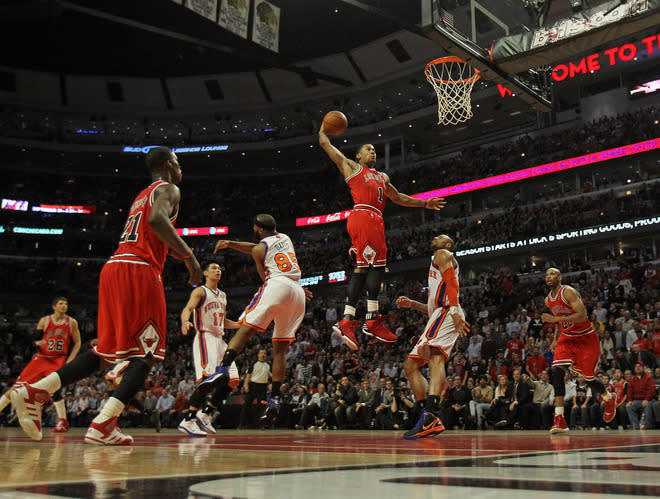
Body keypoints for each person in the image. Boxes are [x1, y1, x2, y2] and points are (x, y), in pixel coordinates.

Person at [11, 146, 202, 444]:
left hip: (114, 267)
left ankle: (37, 391)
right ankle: (103, 423)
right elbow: (155, 220)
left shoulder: (142, 194)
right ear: (167, 165)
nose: (181, 169)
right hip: (138, 270)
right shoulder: (169, 188)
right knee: (147, 354)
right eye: (177, 163)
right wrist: (189, 257)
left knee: (106, 353)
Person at [318, 127, 446, 350]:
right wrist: (322, 131)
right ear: (359, 155)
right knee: (374, 269)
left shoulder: (381, 176)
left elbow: (398, 197)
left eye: (375, 150)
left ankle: (352, 320)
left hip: (374, 221)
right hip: (364, 215)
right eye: (368, 150)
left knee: (365, 269)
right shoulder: (353, 167)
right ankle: (368, 320)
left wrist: (424, 203)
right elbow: (328, 147)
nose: (373, 152)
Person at [212, 214, 309, 428]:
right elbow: (258, 247)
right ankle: (274, 398)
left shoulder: (258, 250)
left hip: (277, 286)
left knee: (245, 329)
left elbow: (264, 273)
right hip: (298, 291)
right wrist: (231, 243)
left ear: (257, 229)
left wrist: (230, 244)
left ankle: (222, 369)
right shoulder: (285, 237)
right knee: (280, 350)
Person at [396, 234, 470, 439]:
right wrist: (413, 304)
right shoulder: (436, 263)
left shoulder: (443, 253)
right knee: (410, 366)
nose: (435, 237)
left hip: (448, 311)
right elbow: (433, 309)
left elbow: (453, 284)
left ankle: (430, 415)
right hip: (440, 313)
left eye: (441, 237)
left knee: (436, 357)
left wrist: (454, 311)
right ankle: (426, 416)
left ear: (448, 245)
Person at [541, 268, 616, 434]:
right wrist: (554, 339)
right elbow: (557, 322)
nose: (549, 277)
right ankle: (559, 420)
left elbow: (582, 316)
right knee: (556, 372)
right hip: (567, 338)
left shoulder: (568, 292)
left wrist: (556, 319)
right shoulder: (548, 300)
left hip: (585, 338)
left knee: (588, 378)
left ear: (559, 277)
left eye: (552, 274)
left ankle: (609, 399)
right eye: (546, 275)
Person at [0, 297, 81, 433]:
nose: (64, 306)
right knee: (16, 386)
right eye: (61, 303)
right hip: (41, 358)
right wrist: (37, 343)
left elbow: (77, 342)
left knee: (54, 389)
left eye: (66, 304)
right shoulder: (45, 320)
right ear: (54, 306)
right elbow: (35, 340)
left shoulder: (71, 322)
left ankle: (63, 421)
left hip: (58, 359)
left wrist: (70, 360)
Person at [177, 262, 241, 437]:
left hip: (220, 340)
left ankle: (205, 413)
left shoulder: (223, 295)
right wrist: (185, 321)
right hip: (206, 337)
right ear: (205, 273)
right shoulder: (200, 291)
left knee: (232, 380)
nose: (218, 270)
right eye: (213, 268)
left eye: (220, 268)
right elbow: (187, 309)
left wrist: (241, 325)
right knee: (208, 379)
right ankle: (188, 419)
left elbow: (223, 321)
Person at [239, 349, 271, 429]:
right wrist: (246, 385)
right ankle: (242, 424)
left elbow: (271, 375)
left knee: (262, 406)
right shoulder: (254, 364)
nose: (263, 354)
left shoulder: (268, 365)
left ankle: (261, 425)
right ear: (258, 355)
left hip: (263, 387)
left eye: (265, 353)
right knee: (246, 405)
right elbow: (248, 375)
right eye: (261, 353)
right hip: (253, 386)